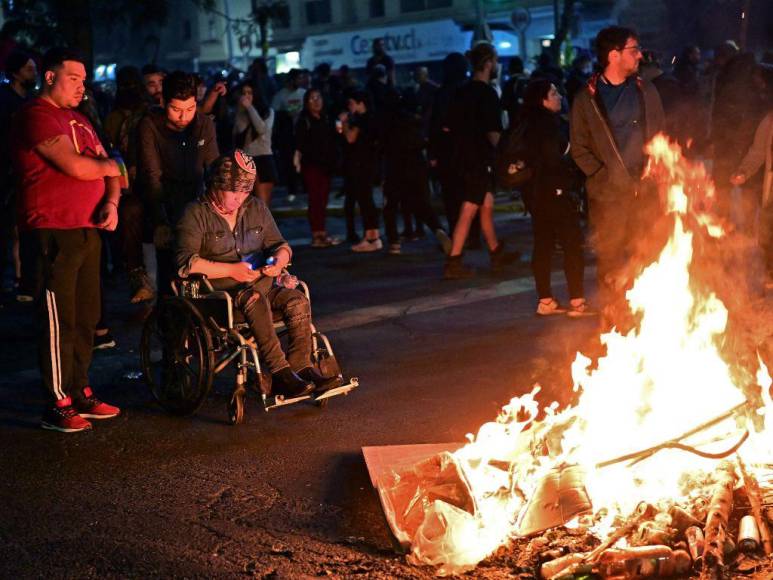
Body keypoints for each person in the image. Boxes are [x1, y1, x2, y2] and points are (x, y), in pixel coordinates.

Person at [11, 47, 124, 432]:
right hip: (51, 229)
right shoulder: (36, 115)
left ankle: (80, 390)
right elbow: (76, 166)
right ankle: (57, 401)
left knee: (86, 316)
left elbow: (115, 171)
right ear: (49, 76)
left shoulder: (80, 120)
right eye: (73, 78)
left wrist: (111, 200)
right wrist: (108, 167)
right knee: (57, 318)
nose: (81, 86)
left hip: (87, 228)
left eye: (84, 80)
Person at [176, 150, 338, 396]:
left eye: (245, 191)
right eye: (233, 191)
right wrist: (231, 270)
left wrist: (278, 261)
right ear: (216, 186)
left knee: (296, 300)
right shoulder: (196, 213)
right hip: (223, 295)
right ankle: (278, 372)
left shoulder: (256, 208)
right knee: (253, 298)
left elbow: (280, 245)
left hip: (262, 284)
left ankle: (301, 368)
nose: (239, 198)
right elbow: (186, 263)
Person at [570, 26, 665, 324]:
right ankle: (612, 322)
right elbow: (579, 147)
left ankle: (650, 320)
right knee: (610, 258)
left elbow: (661, 135)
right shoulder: (587, 98)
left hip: (645, 189)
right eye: (633, 49)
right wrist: (601, 177)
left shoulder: (644, 89)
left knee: (649, 252)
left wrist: (657, 170)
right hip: (609, 194)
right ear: (614, 55)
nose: (639, 55)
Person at [137, 71, 219, 296]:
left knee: (201, 275)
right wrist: (160, 222)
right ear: (163, 101)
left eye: (190, 109)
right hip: (165, 202)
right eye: (176, 109)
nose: (183, 117)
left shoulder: (203, 124)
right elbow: (151, 175)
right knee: (169, 275)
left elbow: (213, 168)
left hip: (197, 203)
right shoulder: (149, 125)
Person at [443, 43, 514, 279]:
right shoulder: (487, 94)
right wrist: (508, 154)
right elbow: (493, 133)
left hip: (461, 157)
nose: (496, 65)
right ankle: (454, 261)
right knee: (470, 207)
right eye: (494, 61)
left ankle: (496, 251)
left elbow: (449, 126)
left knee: (486, 204)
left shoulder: (460, 92)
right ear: (487, 64)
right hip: (479, 159)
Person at [521, 80, 589, 317]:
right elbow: (555, 160)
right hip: (557, 193)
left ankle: (545, 300)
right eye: (554, 93)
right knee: (572, 244)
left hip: (536, 195)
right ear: (543, 100)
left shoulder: (526, 124)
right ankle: (577, 302)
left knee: (543, 246)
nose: (559, 96)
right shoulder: (551, 126)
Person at [103, 65, 154, 303]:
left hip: (154, 179)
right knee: (131, 222)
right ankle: (139, 279)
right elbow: (108, 149)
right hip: (128, 185)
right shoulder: (115, 117)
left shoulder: (151, 113)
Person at [381, 95, 452, 256]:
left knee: (390, 206)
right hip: (417, 167)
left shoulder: (391, 125)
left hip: (396, 169)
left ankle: (394, 242)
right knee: (422, 204)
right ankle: (438, 229)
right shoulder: (416, 124)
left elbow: (384, 148)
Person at [0, 49, 36, 299]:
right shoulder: (5, 101)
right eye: (28, 69)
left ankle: (23, 278)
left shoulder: (30, 102)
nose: (32, 73)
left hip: (25, 172)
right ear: (16, 72)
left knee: (21, 227)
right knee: (7, 227)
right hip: (7, 172)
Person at [731, 107, 773, 289]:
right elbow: (757, 152)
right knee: (767, 229)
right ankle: (771, 272)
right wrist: (744, 171)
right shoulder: (770, 121)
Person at [294, 88, 340, 248]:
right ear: (307, 102)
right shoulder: (304, 120)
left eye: (318, 97)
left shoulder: (327, 118)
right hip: (311, 164)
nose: (316, 101)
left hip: (326, 164)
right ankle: (316, 234)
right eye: (312, 98)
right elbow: (299, 143)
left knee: (323, 199)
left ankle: (322, 232)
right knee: (315, 199)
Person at [339, 90, 381, 251]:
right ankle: (371, 236)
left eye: (351, 103)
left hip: (361, 164)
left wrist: (344, 122)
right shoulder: (371, 117)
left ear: (360, 103)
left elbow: (350, 138)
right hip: (369, 163)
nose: (349, 107)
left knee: (365, 200)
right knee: (366, 199)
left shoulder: (360, 119)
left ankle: (372, 238)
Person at [232, 81, 277, 205]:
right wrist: (242, 110)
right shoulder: (240, 112)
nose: (246, 96)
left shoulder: (268, 112)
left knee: (262, 206)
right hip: (245, 160)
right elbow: (239, 131)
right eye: (244, 93)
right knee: (244, 206)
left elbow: (261, 129)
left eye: (250, 93)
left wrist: (250, 108)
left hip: (263, 158)